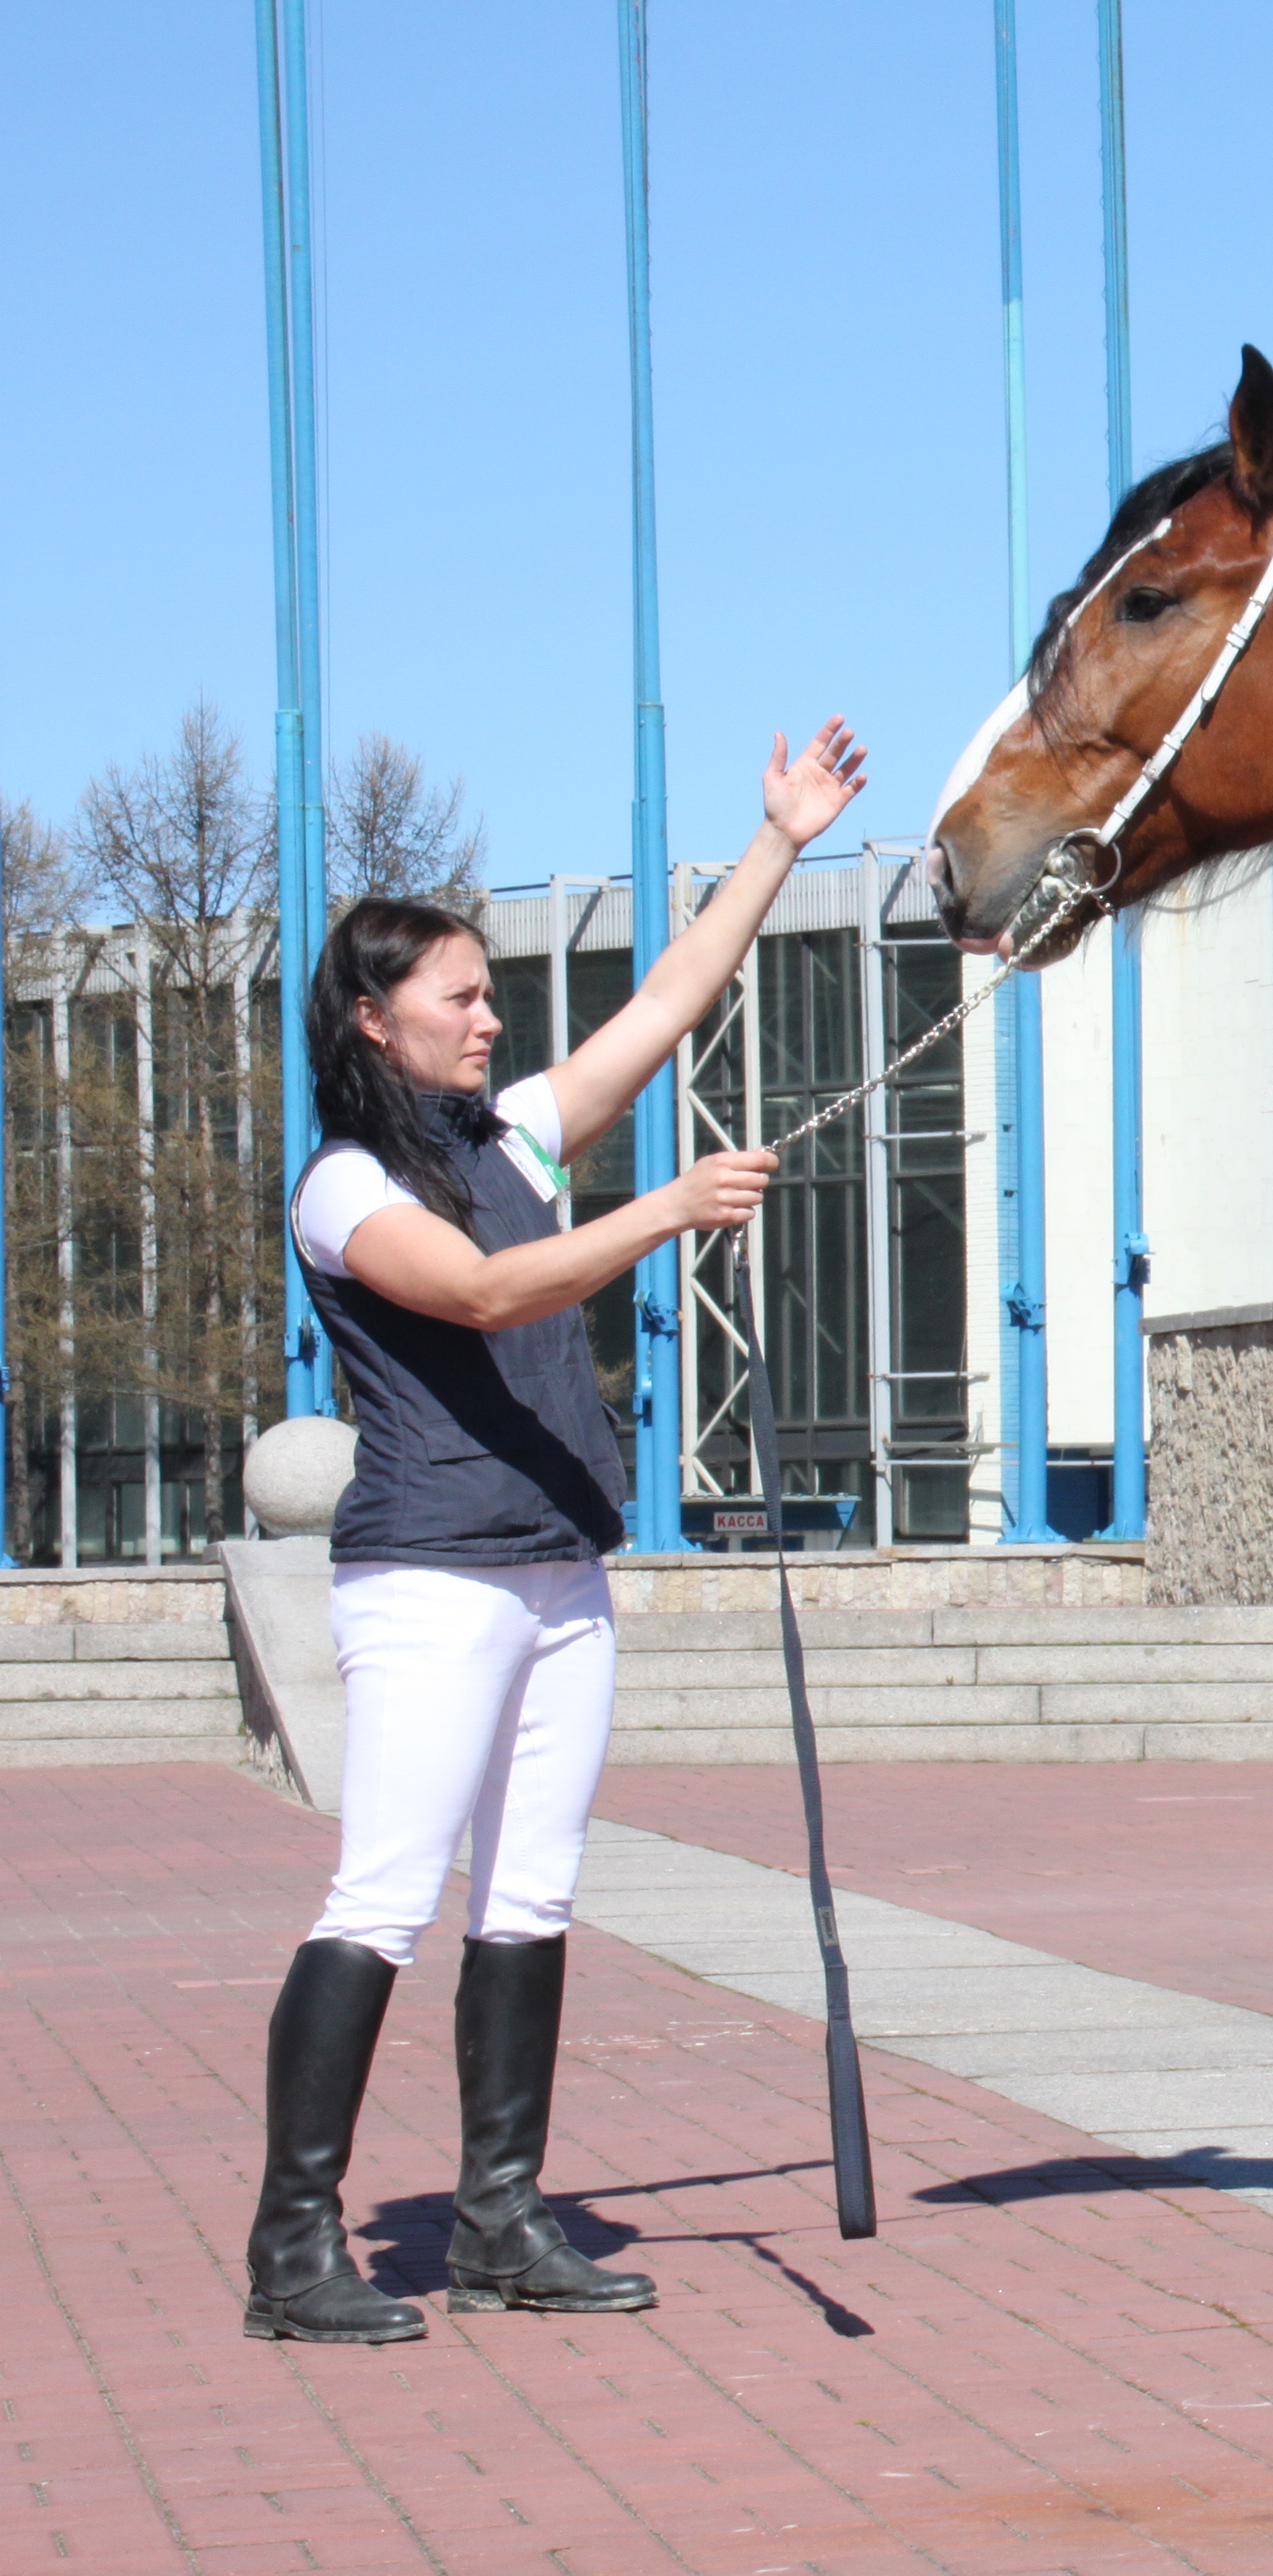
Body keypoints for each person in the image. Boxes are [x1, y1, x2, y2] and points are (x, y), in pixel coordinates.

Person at [242, 721, 867, 2345]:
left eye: (489, 992)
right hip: (430, 1579)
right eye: (460, 994)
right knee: (383, 1896)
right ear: (374, 1019)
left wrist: (783, 842)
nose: (490, 1012)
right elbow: (478, 1291)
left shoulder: (508, 1140)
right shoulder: (344, 1183)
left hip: (558, 1576)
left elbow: (662, 1009)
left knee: (532, 1894)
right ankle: (295, 2249)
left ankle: (501, 2223)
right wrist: (664, 1212)